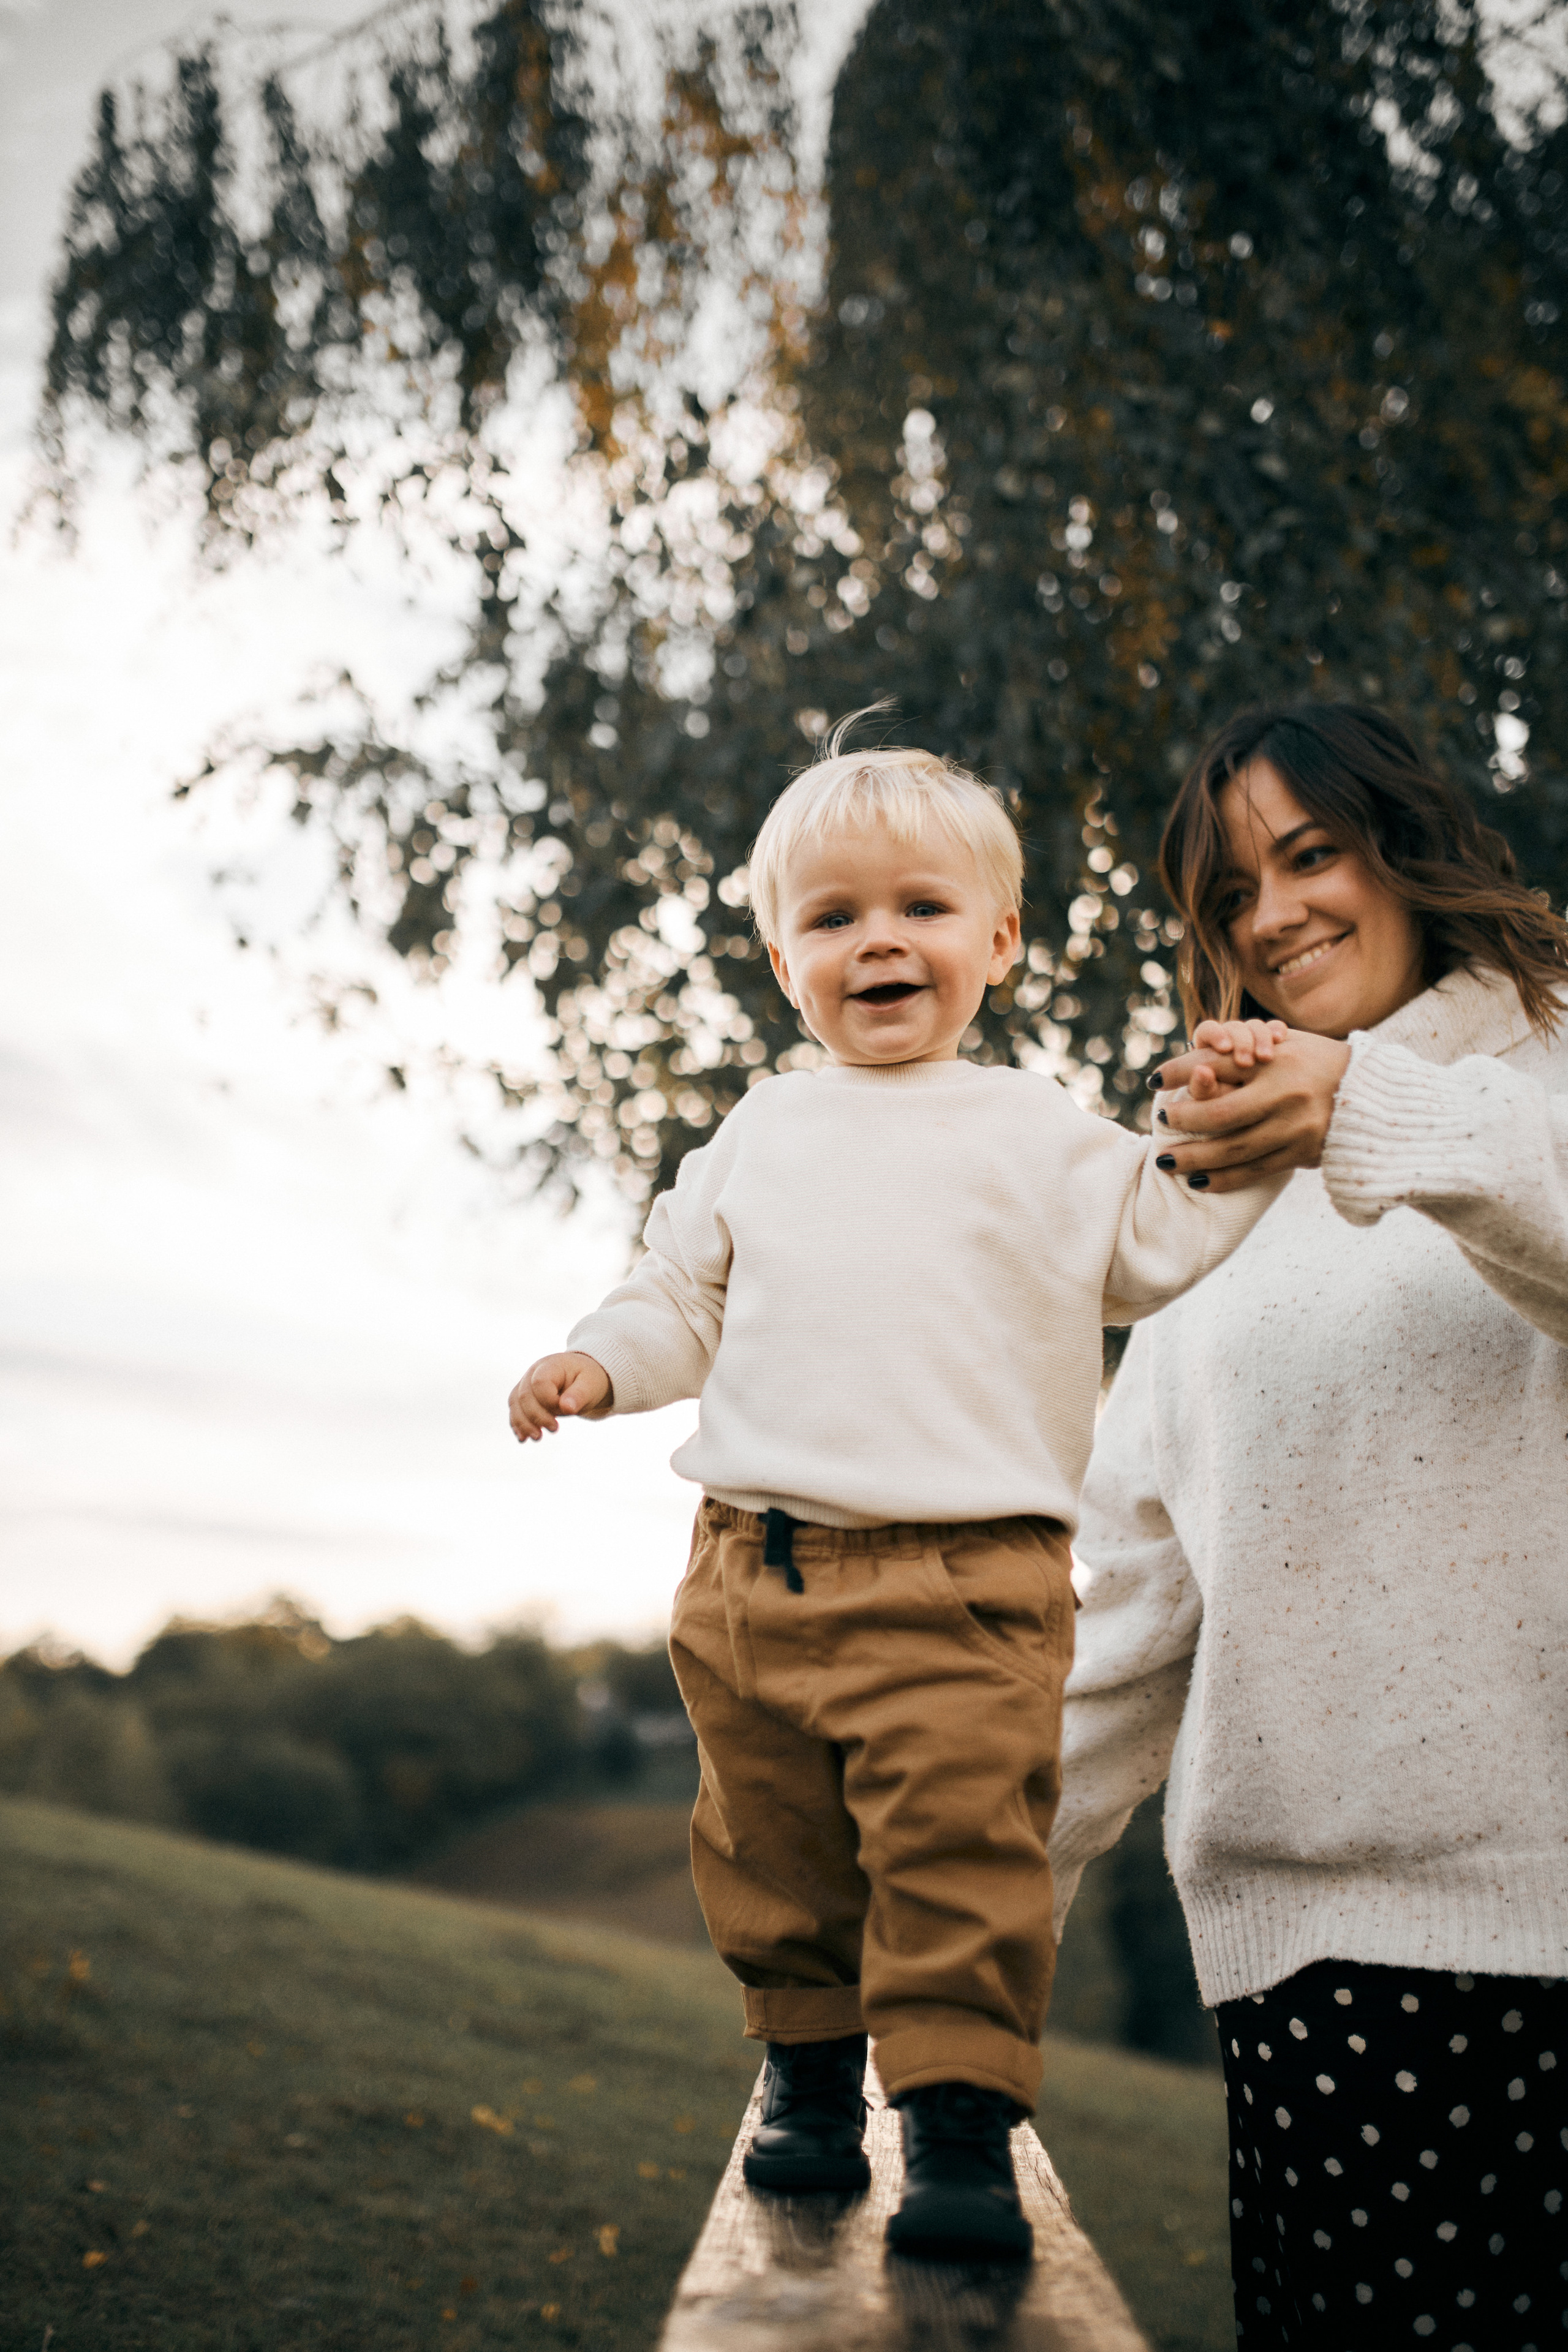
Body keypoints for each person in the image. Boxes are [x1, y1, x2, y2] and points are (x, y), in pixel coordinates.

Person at [508, 722, 1291, 2259]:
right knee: (771, 1849)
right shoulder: (761, 1132)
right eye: (833, 917)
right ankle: (805, 2083)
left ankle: (956, 2130)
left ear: (997, 940)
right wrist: (599, 1362)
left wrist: (1231, 1119)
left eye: (921, 910)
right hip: (755, 1575)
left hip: (965, 1580)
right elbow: (679, 1292)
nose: (879, 941)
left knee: (959, 1855)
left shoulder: (1032, 1128)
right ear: (784, 960)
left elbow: (1156, 1231)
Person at [1049, 701, 1568, 2350]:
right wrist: (953, 1929)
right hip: (1319, 1979)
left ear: (1403, 849)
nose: (1272, 917)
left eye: (1310, 854)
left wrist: (1373, 1108)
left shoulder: (1544, 1067)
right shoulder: (1203, 1195)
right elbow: (1128, 1610)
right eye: (1228, 895)